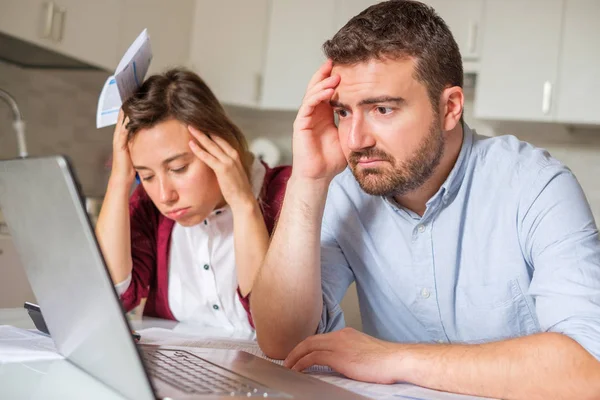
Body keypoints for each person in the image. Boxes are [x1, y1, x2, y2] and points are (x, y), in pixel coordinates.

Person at [250, 0, 600, 398]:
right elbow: (280, 340)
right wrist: (307, 181)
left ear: (449, 107)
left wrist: (393, 359)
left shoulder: (535, 187)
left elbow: (588, 369)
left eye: (382, 109)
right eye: (343, 112)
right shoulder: (347, 188)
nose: (355, 140)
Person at [95, 68, 290, 335]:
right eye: (147, 175)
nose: (165, 196)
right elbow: (111, 297)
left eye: (178, 168)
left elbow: (278, 327)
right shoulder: (150, 208)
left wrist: (244, 205)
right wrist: (120, 179)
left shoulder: (288, 193)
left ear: (219, 143)